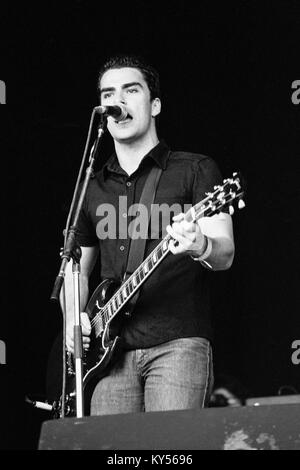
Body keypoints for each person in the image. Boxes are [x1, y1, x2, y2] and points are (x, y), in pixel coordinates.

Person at [63, 54, 235, 415]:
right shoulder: (91, 187)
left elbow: (225, 254)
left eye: (130, 90)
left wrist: (199, 244)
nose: (117, 101)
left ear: (154, 104)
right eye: (108, 93)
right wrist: (73, 319)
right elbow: (74, 271)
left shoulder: (195, 169)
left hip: (178, 344)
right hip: (108, 357)